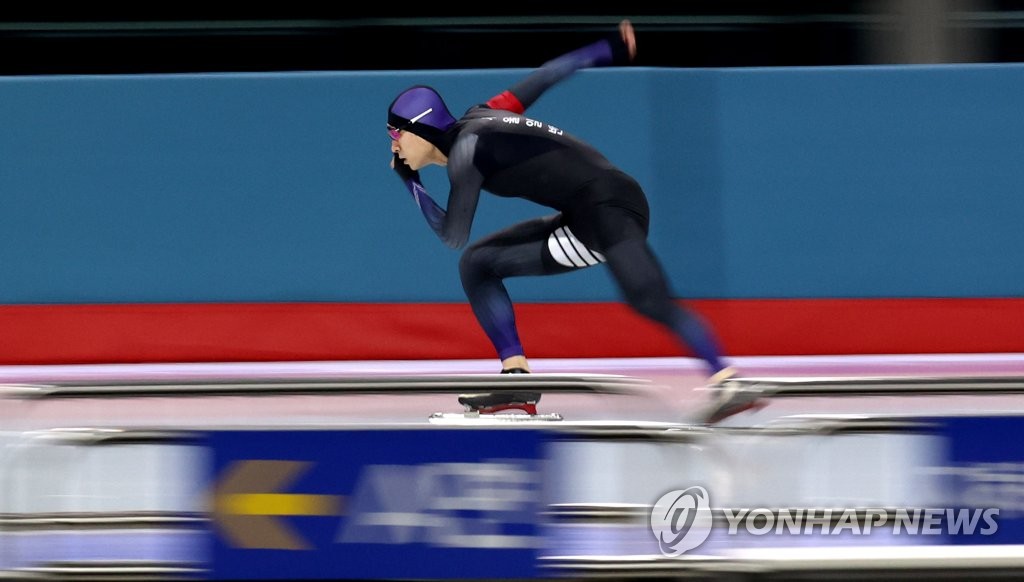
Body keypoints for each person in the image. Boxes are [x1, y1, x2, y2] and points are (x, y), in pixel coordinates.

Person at [386, 20, 754, 423]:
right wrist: (606, 49)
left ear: (419, 130)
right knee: (478, 264)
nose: (394, 145)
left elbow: (452, 233)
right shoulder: (484, 113)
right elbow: (545, 77)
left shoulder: (464, 156)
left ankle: (727, 380)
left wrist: (411, 183)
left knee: (649, 299)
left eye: (395, 134)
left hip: (611, 207)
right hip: (582, 217)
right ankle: (517, 383)